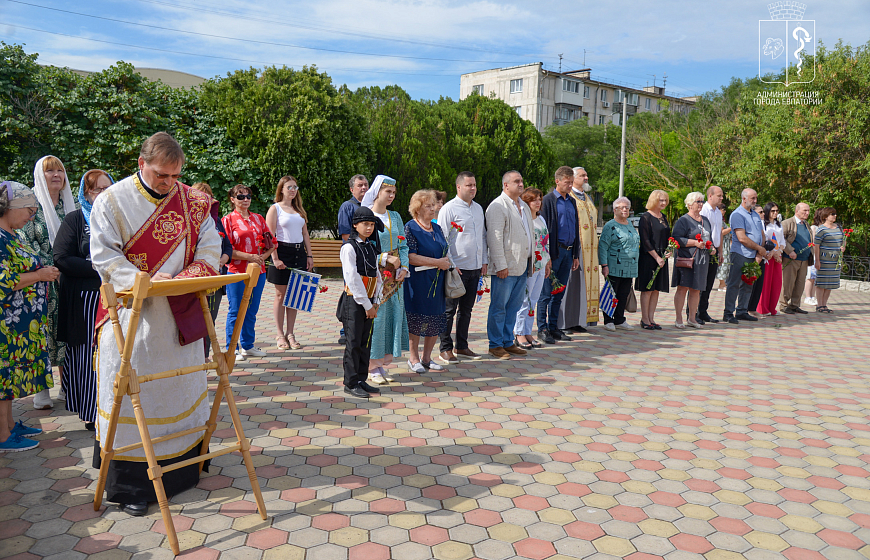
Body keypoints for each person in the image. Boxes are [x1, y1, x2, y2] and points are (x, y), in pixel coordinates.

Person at [89, 132, 221, 515]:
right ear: (142, 163)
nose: (169, 183)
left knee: (180, 387)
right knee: (137, 399)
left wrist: (185, 279)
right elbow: (104, 257)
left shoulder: (194, 203)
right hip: (133, 318)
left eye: (176, 176)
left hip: (180, 311)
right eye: (162, 175)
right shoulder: (111, 202)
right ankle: (131, 485)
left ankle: (184, 469)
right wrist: (144, 282)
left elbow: (211, 247)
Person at [0, 181, 57, 452]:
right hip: (6, 323)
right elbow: (3, 280)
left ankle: (9, 425)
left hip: (18, 323)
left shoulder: (9, 234)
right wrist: (39, 275)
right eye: (27, 209)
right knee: (3, 376)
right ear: (8, 208)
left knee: (9, 376)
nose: (31, 214)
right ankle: (2, 435)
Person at [53, 170, 112, 431]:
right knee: (88, 356)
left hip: (114, 298)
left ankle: (112, 409)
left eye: (107, 188)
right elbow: (62, 257)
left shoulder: (117, 219)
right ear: (85, 192)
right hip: (86, 301)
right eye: (97, 189)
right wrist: (99, 268)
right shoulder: (75, 220)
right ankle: (90, 411)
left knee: (112, 355)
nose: (102, 194)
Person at [21, 156, 77, 410]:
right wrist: (46, 267)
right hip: (39, 280)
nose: (56, 175)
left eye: (59, 170)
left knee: (65, 332)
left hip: (67, 278)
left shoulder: (69, 204)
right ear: (39, 176)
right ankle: (42, 390)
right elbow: (24, 239)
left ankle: (67, 387)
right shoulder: (30, 204)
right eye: (49, 171)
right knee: (41, 334)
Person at [338, 206, 397, 398]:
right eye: (365, 224)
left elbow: (377, 276)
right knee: (353, 342)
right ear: (355, 225)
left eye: (372, 224)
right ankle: (350, 382)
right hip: (355, 301)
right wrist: (367, 305)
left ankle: (361, 379)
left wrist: (377, 301)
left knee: (365, 342)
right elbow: (352, 278)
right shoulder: (349, 247)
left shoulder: (371, 247)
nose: (369, 228)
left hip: (371, 300)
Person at [362, 175, 409, 384]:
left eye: (393, 193)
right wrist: (384, 258)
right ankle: (371, 366)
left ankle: (381, 363)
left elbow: (404, 245)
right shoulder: (367, 215)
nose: (391, 196)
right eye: (387, 191)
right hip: (375, 275)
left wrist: (405, 267)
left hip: (396, 277)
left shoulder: (396, 216)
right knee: (377, 318)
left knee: (392, 317)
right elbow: (361, 246)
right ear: (377, 191)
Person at [438, 172, 487, 362]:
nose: (473, 188)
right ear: (459, 187)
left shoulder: (478, 208)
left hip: (475, 267)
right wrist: (451, 263)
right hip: (456, 269)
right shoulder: (449, 209)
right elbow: (442, 238)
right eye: (469, 185)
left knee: (467, 310)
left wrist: (483, 261)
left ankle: (462, 346)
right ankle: (445, 348)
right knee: (449, 310)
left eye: (474, 185)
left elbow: (482, 236)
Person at [223, 184, 275, 360]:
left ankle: (248, 345)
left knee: (252, 309)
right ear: (232, 199)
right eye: (240, 197)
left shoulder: (259, 218)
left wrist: (262, 257)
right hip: (237, 271)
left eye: (248, 196)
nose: (245, 199)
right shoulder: (228, 220)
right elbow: (226, 249)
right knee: (236, 310)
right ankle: (232, 348)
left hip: (258, 271)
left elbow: (272, 243)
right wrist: (250, 257)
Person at [486, 171, 533, 359]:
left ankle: (507, 341)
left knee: (513, 307)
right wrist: (500, 265)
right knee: (499, 307)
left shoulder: (524, 206)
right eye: (516, 181)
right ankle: (495, 344)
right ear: (506, 185)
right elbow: (494, 238)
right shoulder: (498, 206)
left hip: (522, 265)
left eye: (522, 181)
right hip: (505, 267)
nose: (521, 184)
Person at [265, 176, 313, 350]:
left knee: (295, 297)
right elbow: (270, 236)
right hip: (282, 251)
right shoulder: (275, 209)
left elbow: (305, 234)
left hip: (299, 253)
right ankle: (279, 334)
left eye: (295, 187)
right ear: (282, 189)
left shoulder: (298, 209)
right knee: (280, 295)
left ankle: (290, 333)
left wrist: (309, 256)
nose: (293, 190)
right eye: (289, 187)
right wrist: (275, 258)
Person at [405, 190, 450, 372]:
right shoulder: (411, 227)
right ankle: (413, 358)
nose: (434, 208)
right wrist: (437, 262)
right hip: (418, 280)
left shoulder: (437, 227)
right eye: (429, 206)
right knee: (417, 318)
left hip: (437, 280)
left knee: (435, 318)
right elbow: (410, 257)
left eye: (434, 205)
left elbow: (443, 249)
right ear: (417, 208)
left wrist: (446, 262)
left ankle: (427, 358)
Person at [190, 183, 234, 359]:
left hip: (216, 278)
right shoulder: (189, 220)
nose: (204, 201)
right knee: (194, 320)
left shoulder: (216, 221)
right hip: (196, 279)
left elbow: (228, 247)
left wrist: (221, 260)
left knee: (210, 320)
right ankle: (193, 357)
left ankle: (205, 357)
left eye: (208, 197)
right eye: (201, 196)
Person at [536, 166, 580, 344]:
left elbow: (575, 228)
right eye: (567, 182)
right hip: (554, 253)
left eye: (571, 182)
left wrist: (576, 254)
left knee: (559, 292)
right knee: (545, 293)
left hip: (569, 252)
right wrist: (546, 256)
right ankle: (542, 328)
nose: (570, 185)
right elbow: (545, 231)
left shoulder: (572, 201)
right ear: (557, 181)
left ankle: (554, 327)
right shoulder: (548, 201)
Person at [559, 166, 599, 333]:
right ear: (573, 178)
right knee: (570, 285)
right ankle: (565, 322)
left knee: (582, 286)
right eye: (583, 175)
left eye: (586, 175)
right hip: (575, 249)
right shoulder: (569, 197)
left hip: (591, 252)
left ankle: (579, 320)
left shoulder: (587, 197)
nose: (586, 178)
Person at [723, 189, 770, 324]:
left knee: (748, 283)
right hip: (740, 253)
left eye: (755, 198)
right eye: (752, 198)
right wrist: (759, 249)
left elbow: (761, 234)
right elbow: (742, 238)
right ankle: (728, 313)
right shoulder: (737, 215)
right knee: (734, 284)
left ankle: (742, 311)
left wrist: (759, 252)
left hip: (753, 254)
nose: (755, 201)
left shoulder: (755, 215)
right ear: (744, 198)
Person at [337, 174, 372, 345]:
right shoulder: (347, 207)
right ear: (352, 189)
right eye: (360, 185)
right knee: (351, 291)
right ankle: (346, 330)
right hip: (354, 256)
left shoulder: (371, 206)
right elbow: (345, 234)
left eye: (366, 184)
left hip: (370, 256)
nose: (364, 188)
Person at [514, 188, 551, 348]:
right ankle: (519, 333)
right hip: (530, 265)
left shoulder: (541, 219)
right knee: (525, 300)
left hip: (541, 264)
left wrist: (547, 262)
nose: (538, 202)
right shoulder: (524, 219)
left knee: (533, 300)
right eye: (533, 200)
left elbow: (546, 242)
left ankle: (528, 331)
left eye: (539, 199)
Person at [671, 192, 712, 329]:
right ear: (689, 204)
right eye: (698, 201)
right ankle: (678, 319)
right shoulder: (683, 220)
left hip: (702, 259)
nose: (701, 204)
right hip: (687, 258)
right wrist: (694, 243)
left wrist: (710, 247)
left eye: (702, 201)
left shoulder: (705, 220)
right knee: (683, 288)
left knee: (696, 289)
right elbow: (676, 239)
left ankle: (692, 318)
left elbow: (708, 237)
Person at [599, 197, 640, 332]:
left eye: (627, 207)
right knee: (612, 293)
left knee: (623, 294)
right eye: (622, 207)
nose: (625, 210)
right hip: (614, 266)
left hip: (629, 267)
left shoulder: (629, 224)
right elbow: (603, 246)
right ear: (615, 210)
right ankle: (608, 320)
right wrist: (604, 265)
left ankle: (619, 319)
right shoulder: (610, 226)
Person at [637, 190, 671, 330]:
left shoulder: (663, 217)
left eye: (665, 200)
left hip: (662, 257)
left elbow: (667, 237)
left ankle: (651, 318)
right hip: (649, 257)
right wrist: (656, 257)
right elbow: (645, 240)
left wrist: (668, 252)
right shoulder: (645, 217)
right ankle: (644, 319)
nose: (663, 203)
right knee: (647, 289)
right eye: (660, 200)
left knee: (656, 289)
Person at [696, 186, 724, 324]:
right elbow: (701, 231)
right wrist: (709, 246)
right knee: (699, 283)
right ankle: (694, 312)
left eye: (722, 195)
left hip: (714, 251)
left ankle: (703, 312)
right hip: (703, 250)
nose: (721, 198)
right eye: (719, 195)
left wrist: (720, 251)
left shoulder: (718, 212)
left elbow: (719, 232)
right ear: (710, 196)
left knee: (709, 283)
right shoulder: (703, 210)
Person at [779, 202, 813, 314]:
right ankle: (784, 305)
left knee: (800, 284)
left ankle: (794, 305)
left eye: (808, 211)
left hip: (804, 259)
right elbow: (781, 238)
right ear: (797, 211)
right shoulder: (787, 223)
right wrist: (790, 251)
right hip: (790, 259)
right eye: (804, 211)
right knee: (788, 283)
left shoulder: (806, 224)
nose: (807, 213)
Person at [813, 207, 844, 313]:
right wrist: (817, 260)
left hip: (835, 260)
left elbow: (843, 240)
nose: (835, 215)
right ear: (826, 216)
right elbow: (816, 245)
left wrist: (843, 247)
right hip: (824, 259)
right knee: (822, 282)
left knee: (830, 283)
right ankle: (819, 305)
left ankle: (824, 305)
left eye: (835, 214)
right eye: (832, 214)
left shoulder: (839, 227)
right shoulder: (821, 229)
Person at [757, 202, 785, 316]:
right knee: (766, 283)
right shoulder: (763, 223)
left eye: (777, 211)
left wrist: (779, 252)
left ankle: (772, 307)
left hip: (777, 256)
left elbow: (782, 241)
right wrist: (773, 252)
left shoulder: (779, 224)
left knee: (776, 283)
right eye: (773, 211)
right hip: (767, 256)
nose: (775, 213)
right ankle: (762, 308)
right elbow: (765, 240)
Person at [747, 204, 770, 317]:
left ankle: (753, 308)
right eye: (760, 212)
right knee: (750, 283)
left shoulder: (762, 223)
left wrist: (764, 252)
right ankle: (745, 308)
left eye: (763, 212)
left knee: (759, 284)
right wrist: (758, 253)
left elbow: (764, 238)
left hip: (762, 256)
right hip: (751, 256)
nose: (763, 214)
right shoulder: (751, 222)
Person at [804, 209, 822, 307]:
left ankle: (812, 296)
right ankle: (807, 297)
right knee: (810, 277)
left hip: (820, 256)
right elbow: (813, 243)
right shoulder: (814, 227)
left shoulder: (823, 227)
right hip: (813, 256)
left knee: (815, 278)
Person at [716, 204, 732, 291]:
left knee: (726, 264)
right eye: (723, 209)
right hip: (723, 245)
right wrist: (730, 228)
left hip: (726, 244)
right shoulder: (719, 220)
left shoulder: (721, 220)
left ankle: (723, 283)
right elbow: (721, 232)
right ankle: (722, 284)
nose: (724, 211)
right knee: (723, 264)